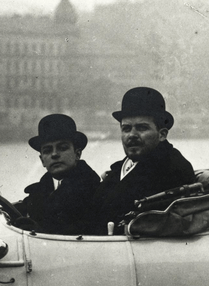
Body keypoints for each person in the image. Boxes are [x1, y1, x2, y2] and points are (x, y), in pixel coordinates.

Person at [87, 87, 195, 234]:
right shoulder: (124, 166)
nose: (132, 135)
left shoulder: (173, 168)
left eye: (142, 128)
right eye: (126, 129)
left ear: (162, 134)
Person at [15, 114, 100, 234]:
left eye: (63, 148)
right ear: (42, 160)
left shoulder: (94, 191)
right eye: (47, 150)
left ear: (77, 154)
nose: (54, 154)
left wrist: (40, 230)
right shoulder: (38, 192)